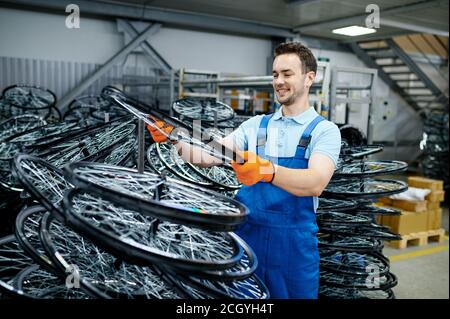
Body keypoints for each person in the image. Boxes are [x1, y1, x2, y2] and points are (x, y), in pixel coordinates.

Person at [147, 42, 341, 299]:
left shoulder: (324, 130)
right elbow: (208, 154)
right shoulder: (256, 126)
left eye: (287, 74)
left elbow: (315, 182)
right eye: (275, 75)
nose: (279, 81)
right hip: (248, 239)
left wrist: (266, 171)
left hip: (294, 249)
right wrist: (176, 136)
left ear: (309, 78)